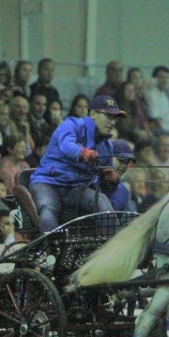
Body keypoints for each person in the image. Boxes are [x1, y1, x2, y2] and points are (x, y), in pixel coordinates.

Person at [29, 95, 124, 233]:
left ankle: (116, 247)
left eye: (115, 118)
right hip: (47, 183)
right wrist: (83, 152)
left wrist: (111, 181)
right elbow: (66, 145)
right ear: (93, 114)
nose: (113, 122)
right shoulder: (71, 125)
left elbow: (104, 188)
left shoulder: (107, 146)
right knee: (48, 209)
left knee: (102, 199)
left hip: (75, 190)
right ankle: (50, 251)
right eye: (109, 116)